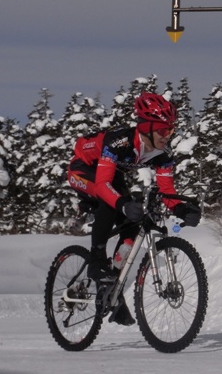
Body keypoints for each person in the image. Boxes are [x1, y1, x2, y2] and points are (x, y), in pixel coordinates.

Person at [67, 93, 201, 326]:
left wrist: (180, 209)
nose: (167, 136)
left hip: (109, 174)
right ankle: (97, 262)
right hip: (82, 169)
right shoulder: (119, 142)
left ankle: (111, 288)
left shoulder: (163, 155)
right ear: (146, 128)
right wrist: (121, 204)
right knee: (111, 201)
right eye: (162, 130)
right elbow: (101, 184)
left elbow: (167, 190)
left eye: (171, 130)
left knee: (134, 222)